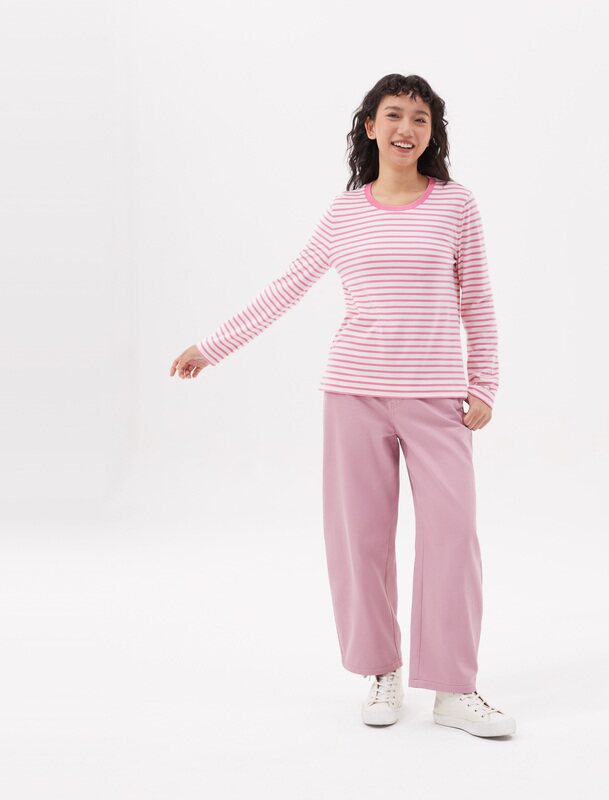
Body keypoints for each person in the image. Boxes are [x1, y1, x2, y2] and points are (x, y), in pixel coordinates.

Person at [170, 74, 515, 738]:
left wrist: (485, 385)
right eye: (394, 115)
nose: (407, 128)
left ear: (433, 133)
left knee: (453, 537)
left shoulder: (456, 204)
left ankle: (454, 688)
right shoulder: (345, 212)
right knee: (360, 539)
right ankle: (380, 671)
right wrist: (212, 347)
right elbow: (287, 287)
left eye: (421, 118)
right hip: (353, 394)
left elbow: (477, 299)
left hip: (437, 398)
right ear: (370, 127)